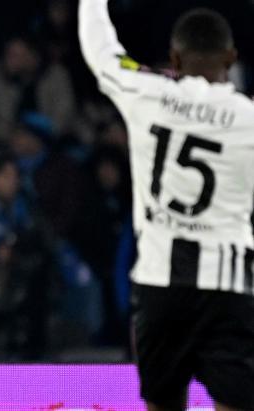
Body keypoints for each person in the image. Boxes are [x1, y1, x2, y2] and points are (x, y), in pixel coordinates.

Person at [80, 2, 254, 410]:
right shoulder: (248, 118)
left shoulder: (146, 93)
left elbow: (101, 49)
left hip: (160, 284)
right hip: (229, 286)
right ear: (231, 58)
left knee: (163, 402)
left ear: (174, 58)